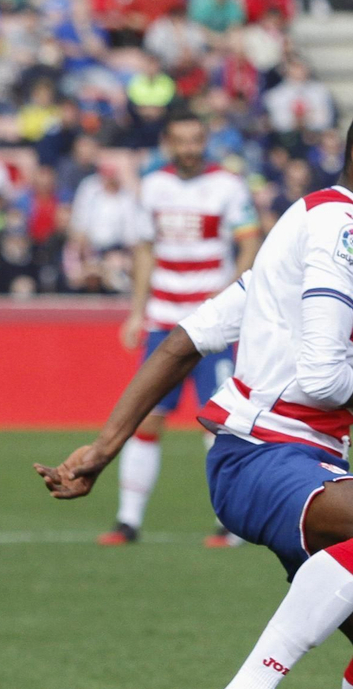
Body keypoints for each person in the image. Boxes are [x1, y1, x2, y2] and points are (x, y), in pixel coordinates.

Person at [35, 96, 353, 689]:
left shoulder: (303, 225)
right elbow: (322, 380)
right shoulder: (346, 226)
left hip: (272, 460)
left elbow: (184, 340)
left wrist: (102, 448)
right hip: (266, 456)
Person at [100, 111, 262, 547]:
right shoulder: (153, 187)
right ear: (169, 144)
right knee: (148, 419)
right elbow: (144, 251)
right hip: (164, 321)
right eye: (181, 141)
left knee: (220, 424)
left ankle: (230, 525)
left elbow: (250, 240)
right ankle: (127, 520)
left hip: (213, 324)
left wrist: (232, 299)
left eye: (196, 139)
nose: (190, 148)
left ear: (205, 140)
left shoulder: (228, 185)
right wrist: (137, 313)